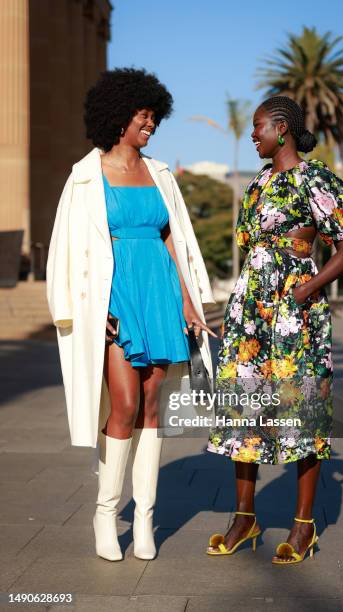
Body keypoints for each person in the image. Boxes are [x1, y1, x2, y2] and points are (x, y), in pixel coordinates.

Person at [46, 68, 216, 562]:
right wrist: (82, 308)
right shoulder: (84, 175)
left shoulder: (160, 173)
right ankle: (105, 512)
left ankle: (144, 518)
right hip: (113, 295)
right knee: (121, 402)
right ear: (119, 116)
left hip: (160, 291)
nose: (152, 125)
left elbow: (174, 239)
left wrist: (187, 298)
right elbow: (66, 248)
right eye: (145, 116)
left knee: (150, 403)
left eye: (155, 116)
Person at [207, 96, 343, 564]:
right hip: (251, 308)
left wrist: (306, 288)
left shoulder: (315, 181)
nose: (253, 136)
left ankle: (303, 526)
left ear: (281, 128)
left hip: (296, 314)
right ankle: (244, 518)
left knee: (301, 408)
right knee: (244, 406)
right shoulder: (257, 183)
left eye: (258, 128)